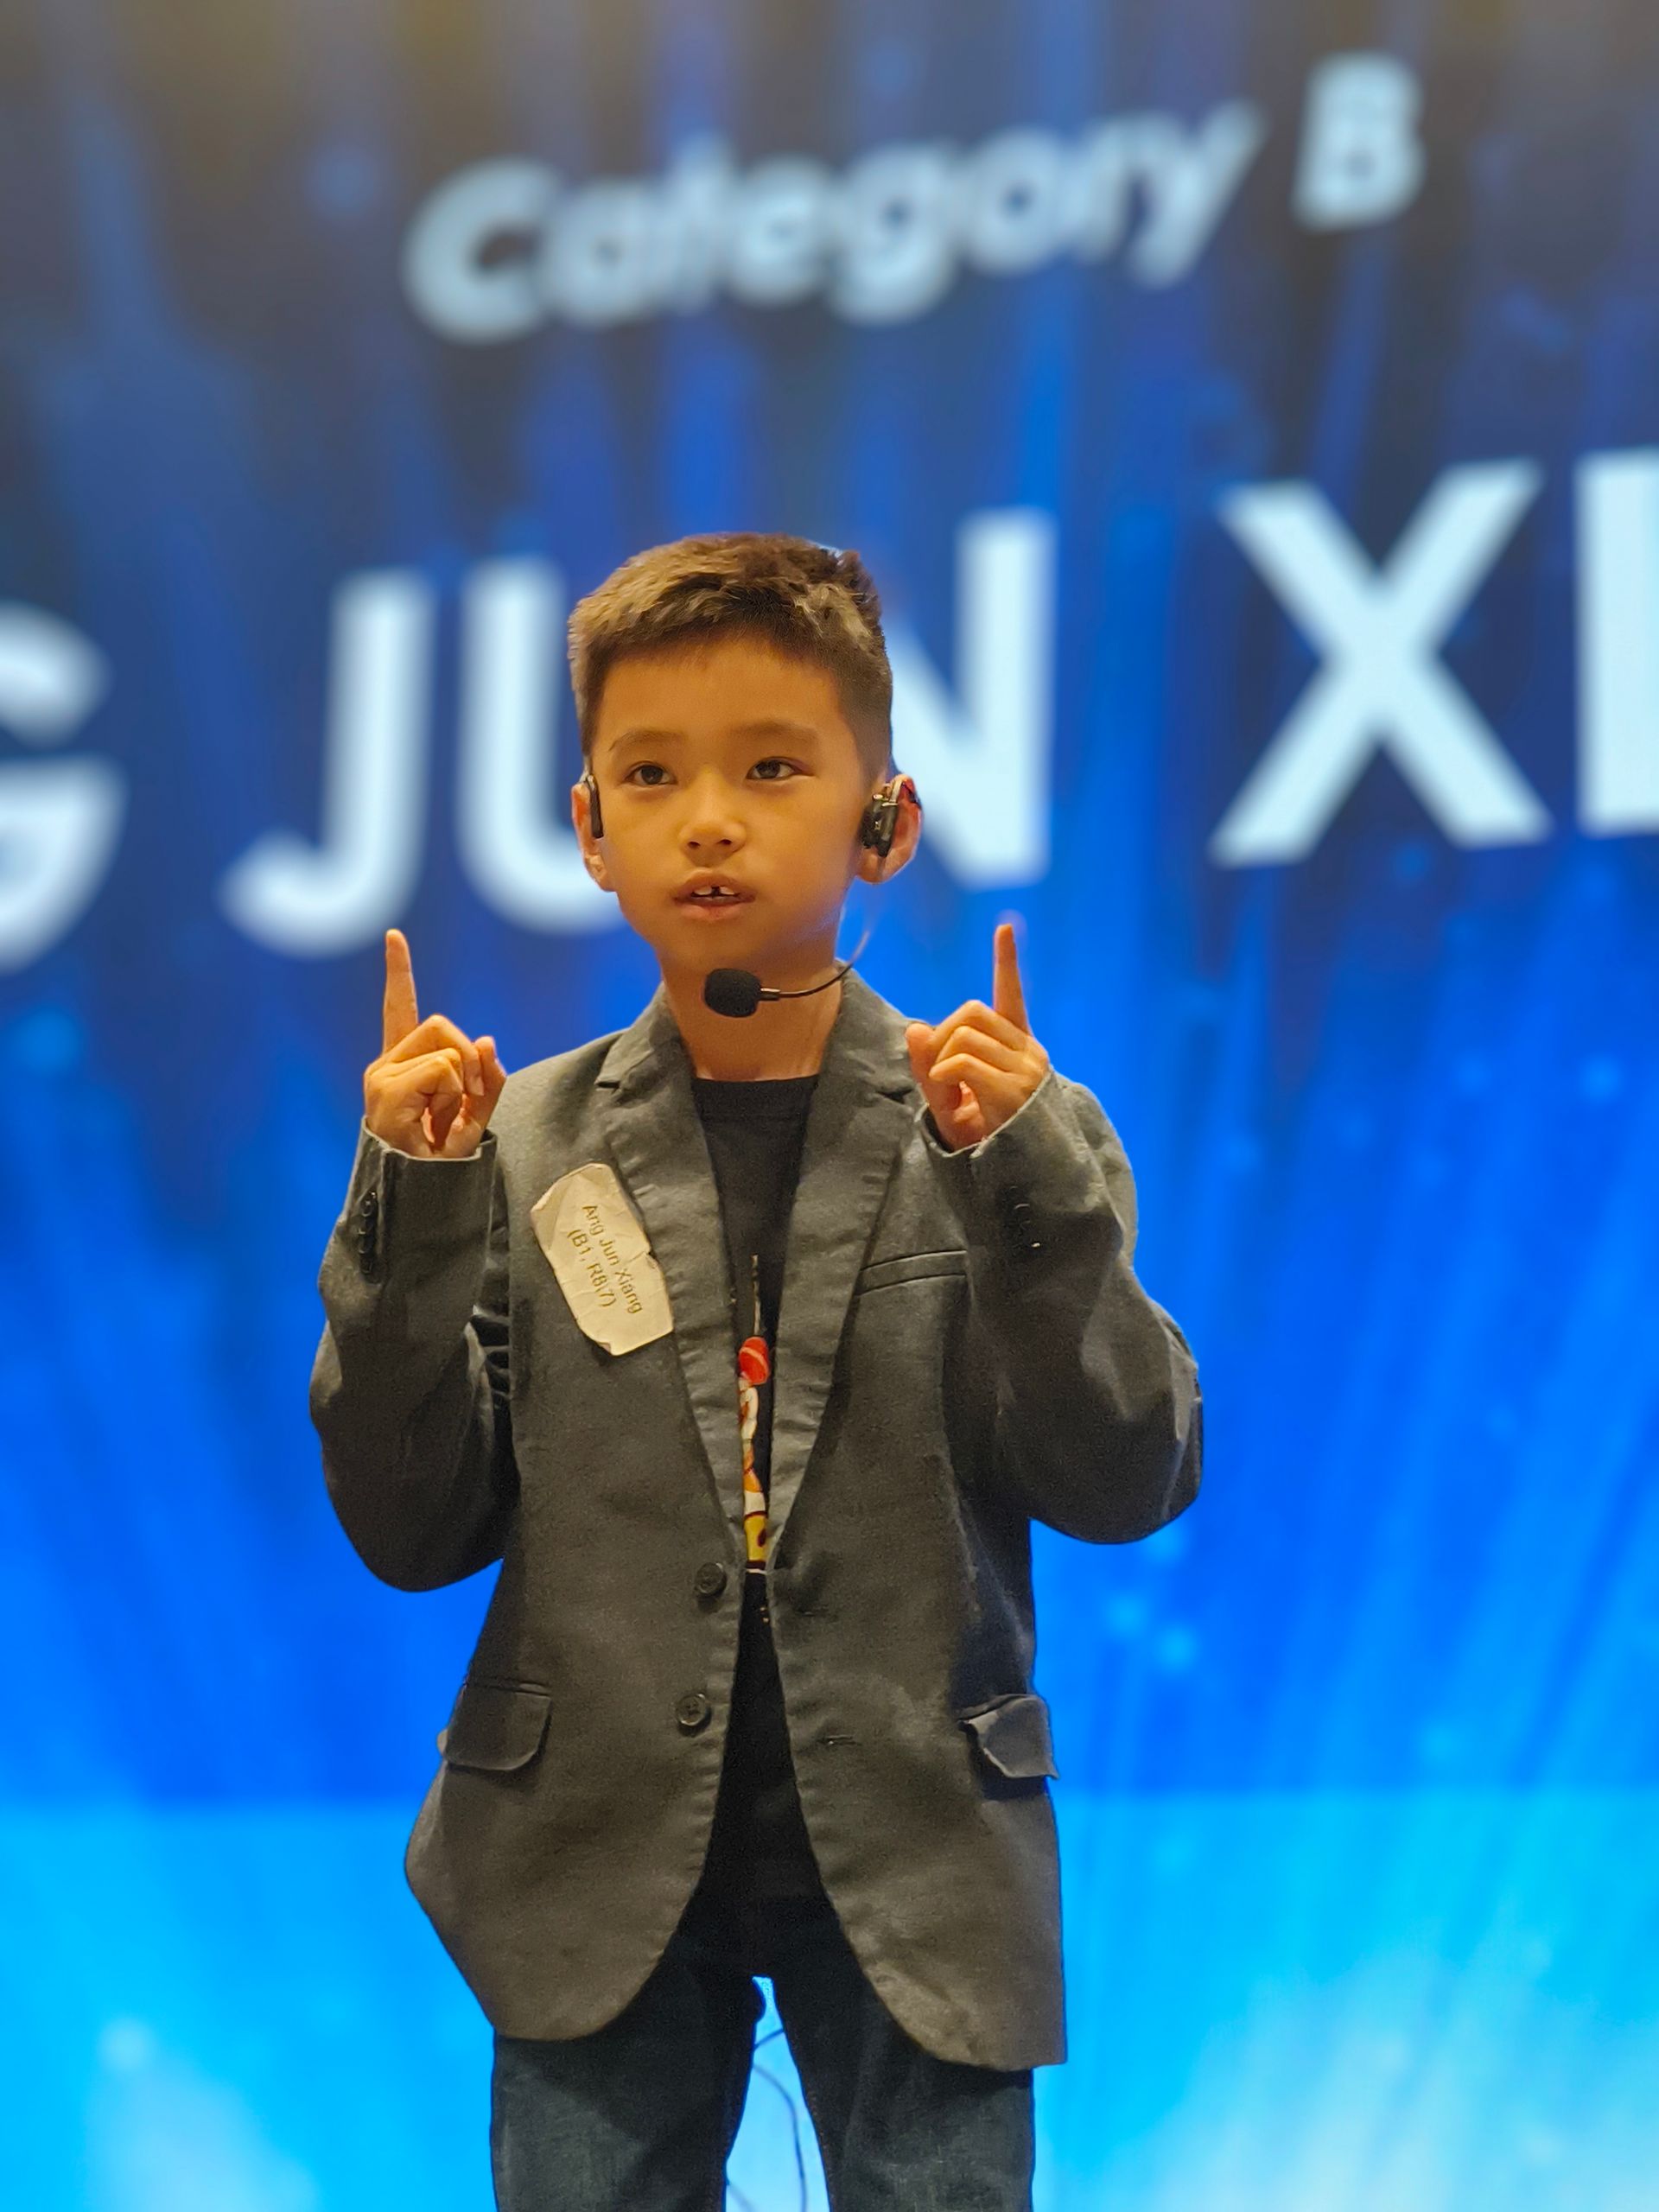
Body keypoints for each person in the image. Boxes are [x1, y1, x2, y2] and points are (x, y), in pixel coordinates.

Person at [309, 531, 1202, 2212]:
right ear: (589, 828)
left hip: (920, 1835)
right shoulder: (509, 1138)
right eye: (651, 775)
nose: (707, 817)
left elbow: (1126, 1475)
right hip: (584, 1845)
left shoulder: (1001, 1120)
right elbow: (414, 1526)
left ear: (887, 819)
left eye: (773, 767)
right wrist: (410, 1211)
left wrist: (1022, 1183)